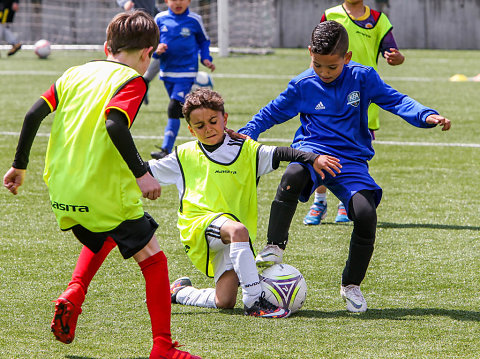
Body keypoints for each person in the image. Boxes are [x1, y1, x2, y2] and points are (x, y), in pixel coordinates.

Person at [3, 10, 201, 359]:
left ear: (107, 45)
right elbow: (114, 125)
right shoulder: (132, 80)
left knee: (106, 231)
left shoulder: (73, 73)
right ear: (147, 53)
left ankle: (74, 293)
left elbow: (33, 114)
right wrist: (142, 173)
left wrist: (19, 165)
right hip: (103, 190)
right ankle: (163, 348)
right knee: (154, 260)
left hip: (63, 190)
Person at [238, 21, 450, 313]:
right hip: (313, 152)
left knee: (365, 215)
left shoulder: (363, 78)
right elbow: (270, 112)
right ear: (310, 53)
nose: (324, 73)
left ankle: (351, 284)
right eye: (318, 65)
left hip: (350, 161)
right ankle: (275, 245)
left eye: (332, 67)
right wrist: (246, 132)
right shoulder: (302, 85)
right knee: (294, 172)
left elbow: (396, 100)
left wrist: (426, 115)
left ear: (347, 58)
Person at [147, 88, 340, 317]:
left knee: (225, 300)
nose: (208, 128)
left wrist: (313, 158)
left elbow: (281, 153)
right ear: (190, 129)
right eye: (199, 126)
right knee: (238, 230)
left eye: (213, 121)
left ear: (224, 118)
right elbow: (144, 170)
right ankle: (254, 302)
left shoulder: (246, 150)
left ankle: (180, 292)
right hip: (198, 224)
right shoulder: (184, 154)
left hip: (231, 234)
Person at [303, 0, 405, 225]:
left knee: (355, 150)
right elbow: (318, 51)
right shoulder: (330, 14)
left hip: (362, 98)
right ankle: (319, 201)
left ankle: (345, 199)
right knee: (320, 147)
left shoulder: (378, 20)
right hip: (329, 95)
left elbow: (392, 50)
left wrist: (397, 58)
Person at [149, 0, 215, 160]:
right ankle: (209, 137)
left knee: (173, 107)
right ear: (166, 1)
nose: (178, 2)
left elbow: (204, 41)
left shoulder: (194, 19)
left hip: (187, 72)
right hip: (167, 72)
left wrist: (206, 58)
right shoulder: (160, 18)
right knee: (180, 112)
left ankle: (166, 149)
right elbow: (152, 43)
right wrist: (157, 51)